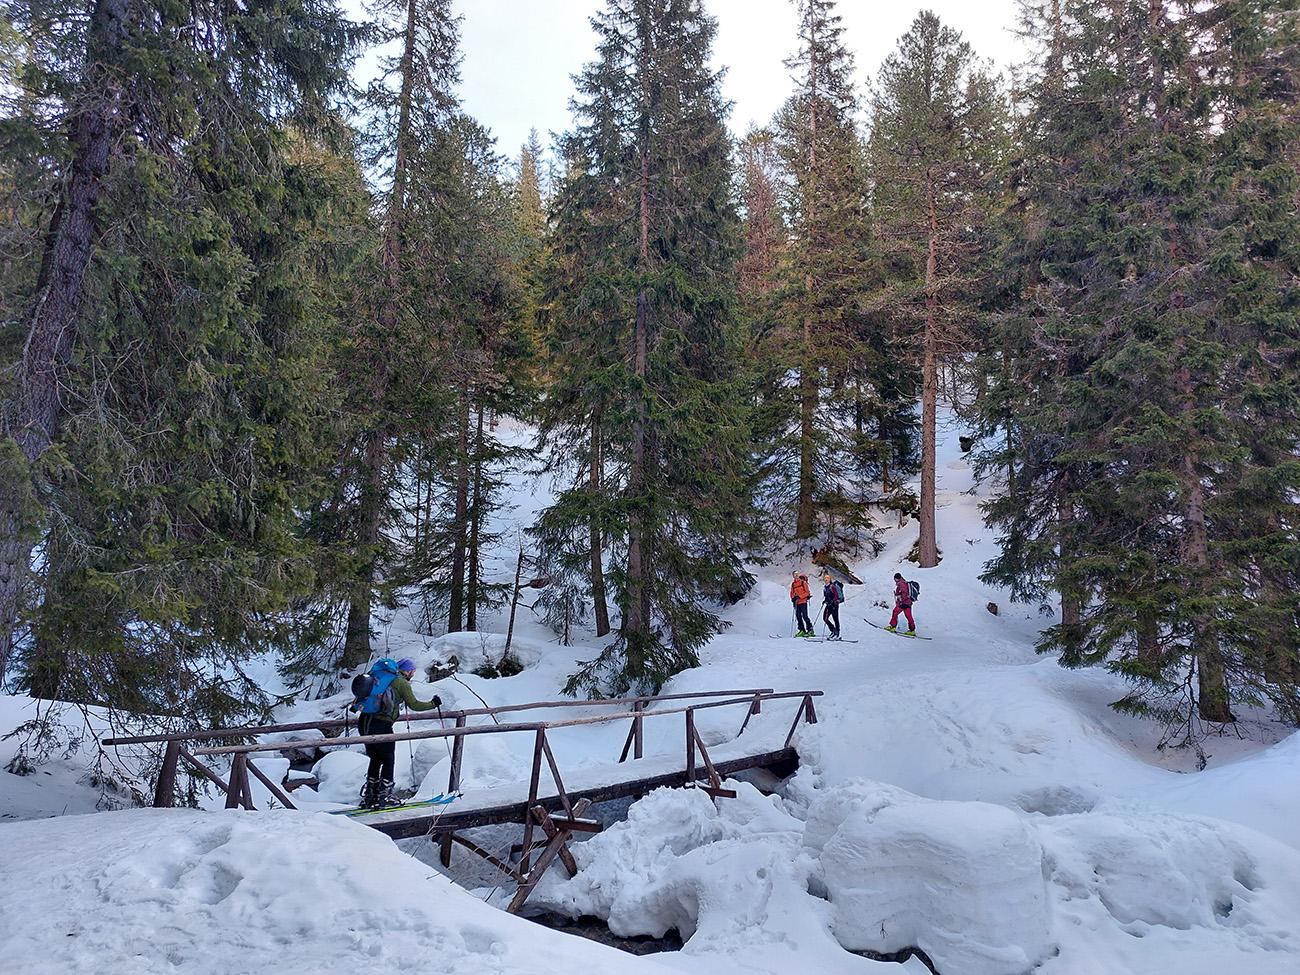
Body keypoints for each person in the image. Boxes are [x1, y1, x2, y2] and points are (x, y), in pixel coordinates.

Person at [355, 657, 442, 808]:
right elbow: (414, 705)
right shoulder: (401, 682)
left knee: (376, 758)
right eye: (413, 671)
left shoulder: (380, 677)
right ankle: (385, 795)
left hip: (364, 723)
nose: (413, 674)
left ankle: (371, 795)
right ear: (408, 670)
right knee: (388, 758)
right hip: (381, 724)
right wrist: (433, 704)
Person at [790, 570, 813, 636]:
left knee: (805, 617)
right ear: (793, 576)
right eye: (795, 574)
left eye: (797, 574)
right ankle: (802, 630)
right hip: (797, 603)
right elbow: (791, 593)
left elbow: (807, 593)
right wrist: (793, 598)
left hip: (803, 602)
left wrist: (800, 597)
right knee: (798, 617)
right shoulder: (793, 584)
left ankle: (810, 630)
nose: (796, 575)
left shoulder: (803, 582)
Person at [821, 573, 843, 641]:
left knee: (835, 618)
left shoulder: (832, 586)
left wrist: (832, 601)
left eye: (827, 578)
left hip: (834, 605)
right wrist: (825, 601)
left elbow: (836, 595)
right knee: (825, 618)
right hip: (829, 605)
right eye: (825, 578)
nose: (826, 579)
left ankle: (837, 633)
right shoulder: (825, 587)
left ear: (830, 579)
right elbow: (827, 596)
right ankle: (833, 630)